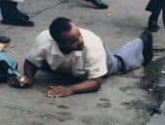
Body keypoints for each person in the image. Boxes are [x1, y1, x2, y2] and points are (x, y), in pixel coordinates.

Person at [13, 17, 153, 98]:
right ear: (59, 42)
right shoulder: (44, 40)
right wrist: (28, 77)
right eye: (73, 40)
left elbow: (96, 82)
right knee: (42, 62)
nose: (80, 40)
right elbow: (31, 62)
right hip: (66, 67)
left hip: (91, 64)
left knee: (119, 63)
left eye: (79, 35)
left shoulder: (92, 44)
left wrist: (70, 89)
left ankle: (141, 42)